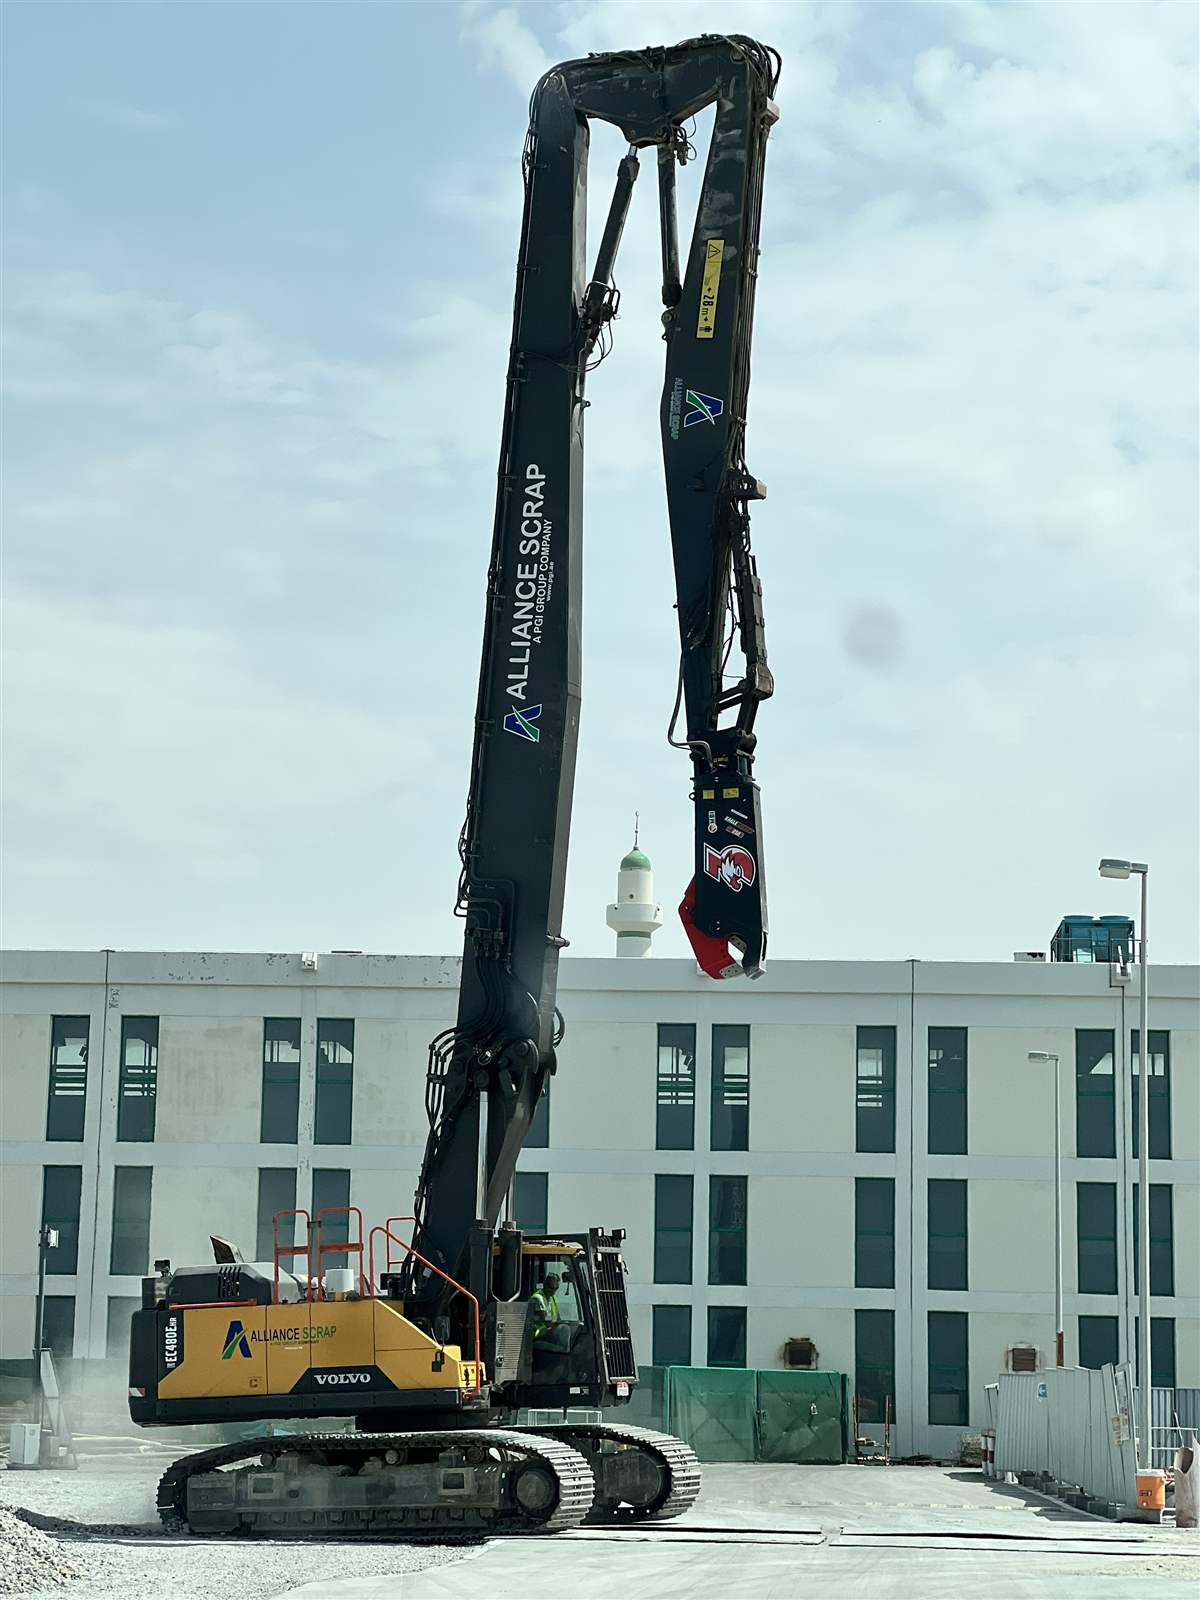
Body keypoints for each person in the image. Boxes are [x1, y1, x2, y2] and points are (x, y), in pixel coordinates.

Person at [527, 1272, 561, 1342]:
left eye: (556, 1288)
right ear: (545, 1285)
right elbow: (545, 1318)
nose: (554, 1291)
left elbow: (558, 1317)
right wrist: (556, 1321)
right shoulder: (537, 1298)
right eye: (551, 1287)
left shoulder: (553, 1298)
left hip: (547, 1333)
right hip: (536, 1337)